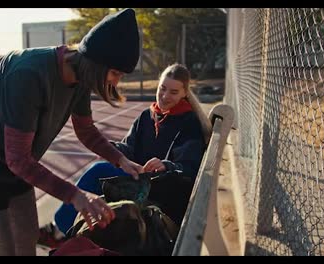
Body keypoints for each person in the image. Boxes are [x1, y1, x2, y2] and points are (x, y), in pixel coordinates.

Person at [0, 8, 144, 256]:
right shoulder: (28, 75)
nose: (114, 83)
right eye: (115, 73)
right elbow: (17, 158)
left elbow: (86, 131)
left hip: (18, 174)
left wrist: (121, 160)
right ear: (95, 62)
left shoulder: (81, 77)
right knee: (1, 252)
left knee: (26, 246)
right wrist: (76, 195)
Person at [38, 63, 213, 246]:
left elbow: (189, 166)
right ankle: (69, 233)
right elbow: (129, 148)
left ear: (185, 93)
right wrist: (110, 149)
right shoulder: (148, 116)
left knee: (98, 173)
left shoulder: (189, 122)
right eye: (162, 88)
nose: (165, 96)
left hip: (161, 186)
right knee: (101, 173)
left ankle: (57, 232)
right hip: (138, 178)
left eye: (174, 92)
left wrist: (166, 165)